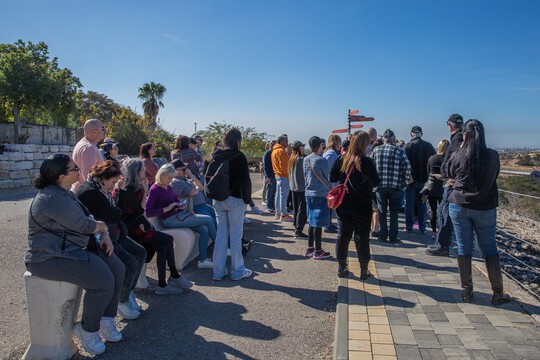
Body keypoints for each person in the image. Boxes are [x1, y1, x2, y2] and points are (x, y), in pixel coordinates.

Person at [26, 154, 124, 355]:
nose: (79, 171)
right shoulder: (52, 199)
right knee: (103, 282)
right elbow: (84, 224)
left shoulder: (63, 192)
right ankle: (87, 329)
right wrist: (103, 227)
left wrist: (104, 233)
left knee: (117, 268)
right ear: (62, 176)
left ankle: (106, 319)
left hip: (69, 251)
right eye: (74, 169)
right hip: (48, 258)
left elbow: (88, 217)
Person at [447, 119, 510, 306]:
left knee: (463, 248)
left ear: (465, 135)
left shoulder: (459, 154)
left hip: (459, 205)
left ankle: (467, 292)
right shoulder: (492, 156)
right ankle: (498, 292)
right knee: (489, 249)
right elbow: (495, 174)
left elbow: (450, 172)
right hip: (485, 206)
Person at [77, 160, 147, 320]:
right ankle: (121, 300)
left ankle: (128, 292)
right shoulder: (90, 192)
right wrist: (120, 194)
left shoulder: (100, 189)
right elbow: (116, 213)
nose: (113, 186)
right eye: (113, 182)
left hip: (114, 233)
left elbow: (116, 211)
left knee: (140, 253)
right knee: (130, 263)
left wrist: (119, 193)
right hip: (101, 239)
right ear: (104, 177)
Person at [118, 158, 192, 295]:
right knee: (167, 240)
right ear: (136, 171)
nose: (145, 171)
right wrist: (146, 192)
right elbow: (140, 211)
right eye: (142, 169)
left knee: (164, 244)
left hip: (140, 226)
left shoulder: (136, 187)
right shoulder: (128, 189)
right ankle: (171, 278)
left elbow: (141, 210)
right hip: (134, 230)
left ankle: (165, 283)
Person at [145, 164, 215, 269]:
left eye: (172, 178)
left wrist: (181, 204)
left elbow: (175, 201)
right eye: (169, 178)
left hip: (179, 215)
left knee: (204, 230)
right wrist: (166, 209)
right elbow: (148, 212)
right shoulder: (155, 189)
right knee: (208, 219)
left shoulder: (168, 186)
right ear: (162, 175)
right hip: (171, 220)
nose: (170, 181)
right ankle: (222, 249)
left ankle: (203, 260)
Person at [330, 131, 380, 279]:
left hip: (344, 204)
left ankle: (341, 267)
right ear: (365, 144)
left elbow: (332, 176)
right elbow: (376, 182)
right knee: (362, 237)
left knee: (343, 236)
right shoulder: (367, 162)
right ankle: (363, 270)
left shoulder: (342, 159)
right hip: (363, 205)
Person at [211, 128, 253, 281]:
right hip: (235, 199)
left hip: (218, 199)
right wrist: (248, 200)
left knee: (221, 235)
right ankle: (237, 271)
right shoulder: (239, 157)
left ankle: (218, 272)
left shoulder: (216, 156)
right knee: (236, 236)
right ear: (238, 140)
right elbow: (245, 180)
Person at [426, 114, 464, 256]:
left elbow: (455, 159)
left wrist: (451, 175)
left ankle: (442, 245)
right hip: (451, 181)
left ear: (449, 124)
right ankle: (442, 244)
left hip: (451, 182)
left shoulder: (458, 138)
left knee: (444, 213)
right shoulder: (459, 137)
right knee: (443, 211)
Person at [371, 129, 411, 243]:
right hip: (395, 186)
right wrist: (404, 183)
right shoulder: (399, 150)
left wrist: (373, 183)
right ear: (394, 139)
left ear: (383, 139)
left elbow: (370, 167)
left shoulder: (376, 150)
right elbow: (407, 168)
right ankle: (393, 237)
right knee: (394, 212)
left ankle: (382, 236)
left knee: (382, 211)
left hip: (380, 186)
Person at [303, 136, 331, 259]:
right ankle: (318, 251)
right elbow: (328, 177)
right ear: (320, 146)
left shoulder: (306, 159)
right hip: (320, 193)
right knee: (318, 223)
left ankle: (310, 248)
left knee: (311, 221)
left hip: (309, 193)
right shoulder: (321, 160)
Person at [404, 126, 436, 234]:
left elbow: (404, 164)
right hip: (424, 180)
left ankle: (409, 227)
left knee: (409, 204)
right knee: (422, 204)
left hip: (411, 180)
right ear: (421, 134)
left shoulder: (408, 146)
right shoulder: (429, 146)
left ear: (411, 134)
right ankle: (422, 227)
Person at [171, 159, 216, 228]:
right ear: (176, 171)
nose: (185, 171)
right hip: (196, 208)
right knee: (214, 222)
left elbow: (201, 187)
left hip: (203, 205)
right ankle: (220, 239)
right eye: (183, 169)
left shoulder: (186, 180)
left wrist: (192, 176)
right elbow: (193, 192)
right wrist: (196, 190)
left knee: (219, 220)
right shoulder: (176, 182)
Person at [420, 139, 449, 239]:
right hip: (444, 187)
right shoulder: (448, 159)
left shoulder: (432, 158)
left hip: (432, 187)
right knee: (443, 211)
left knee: (433, 210)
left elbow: (428, 171)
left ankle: (433, 232)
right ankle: (442, 230)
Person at [71, 119, 106, 193]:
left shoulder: (87, 145)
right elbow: (89, 178)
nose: (105, 131)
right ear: (95, 131)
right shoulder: (89, 148)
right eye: (103, 128)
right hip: (87, 196)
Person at [288, 140, 307, 238]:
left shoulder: (291, 159)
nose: (304, 148)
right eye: (302, 146)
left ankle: (296, 227)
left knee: (296, 210)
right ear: (299, 148)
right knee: (302, 211)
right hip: (302, 188)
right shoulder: (302, 160)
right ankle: (298, 230)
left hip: (293, 188)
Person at [323, 134, 342, 233]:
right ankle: (327, 225)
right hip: (330, 184)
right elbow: (329, 170)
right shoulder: (332, 154)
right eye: (339, 141)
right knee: (330, 205)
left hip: (328, 184)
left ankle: (328, 224)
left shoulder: (328, 153)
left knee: (329, 205)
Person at [272, 135, 292, 221]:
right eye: (286, 141)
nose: (287, 142)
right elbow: (285, 167)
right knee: (283, 196)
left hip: (277, 175)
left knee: (278, 195)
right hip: (283, 176)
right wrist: (289, 177)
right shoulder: (281, 151)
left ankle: (278, 212)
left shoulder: (274, 151)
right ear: (281, 142)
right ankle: (284, 215)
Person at [262, 140, 277, 213]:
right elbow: (266, 166)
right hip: (269, 175)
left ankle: (272, 206)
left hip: (274, 175)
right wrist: (267, 177)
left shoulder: (273, 153)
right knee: (269, 191)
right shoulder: (267, 153)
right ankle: (269, 206)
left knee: (273, 191)